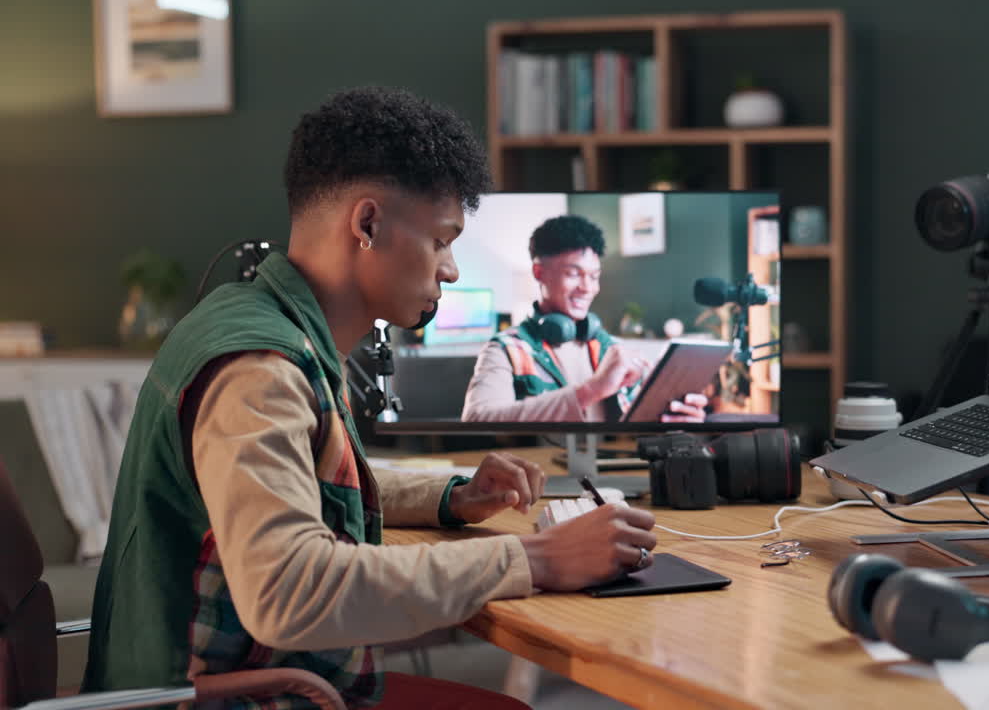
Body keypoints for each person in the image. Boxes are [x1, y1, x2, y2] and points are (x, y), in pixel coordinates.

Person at [82, 87, 658, 709]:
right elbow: (289, 591)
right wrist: (535, 558)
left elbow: (299, 476)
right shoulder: (261, 370)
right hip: (234, 697)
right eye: (441, 239)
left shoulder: (255, 317)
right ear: (367, 223)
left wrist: (454, 496)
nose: (452, 269)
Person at [461, 215, 708, 423]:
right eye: (573, 274)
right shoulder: (506, 349)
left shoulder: (611, 348)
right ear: (539, 272)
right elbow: (476, 420)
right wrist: (590, 391)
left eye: (594, 276)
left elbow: (638, 427)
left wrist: (674, 417)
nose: (587, 288)